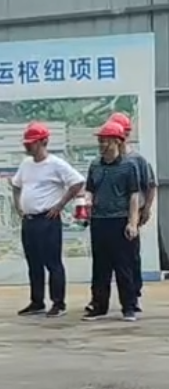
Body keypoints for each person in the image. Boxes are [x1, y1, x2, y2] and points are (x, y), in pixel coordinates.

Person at [11, 122, 85, 318]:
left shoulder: (56, 164)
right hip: (29, 220)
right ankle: (37, 301)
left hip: (48, 219)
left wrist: (60, 205)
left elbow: (77, 182)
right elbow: (16, 185)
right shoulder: (26, 164)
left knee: (52, 263)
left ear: (43, 142)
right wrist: (18, 206)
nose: (27, 146)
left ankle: (58, 303)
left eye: (31, 143)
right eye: (26, 143)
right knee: (33, 263)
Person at [82, 121, 141, 322]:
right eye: (100, 140)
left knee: (124, 266)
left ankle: (129, 307)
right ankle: (99, 306)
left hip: (119, 220)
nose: (101, 144)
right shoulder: (95, 165)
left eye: (105, 140)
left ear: (117, 141)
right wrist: (87, 201)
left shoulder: (129, 166)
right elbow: (90, 189)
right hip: (99, 221)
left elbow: (134, 196)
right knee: (100, 266)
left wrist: (132, 222)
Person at [106, 112, 155, 312]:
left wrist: (146, 209)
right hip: (110, 217)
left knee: (131, 257)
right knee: (108, 260)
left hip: (131, 216)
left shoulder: (137, 160)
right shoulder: (104, 161)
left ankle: (134, 294)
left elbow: (150, 185)